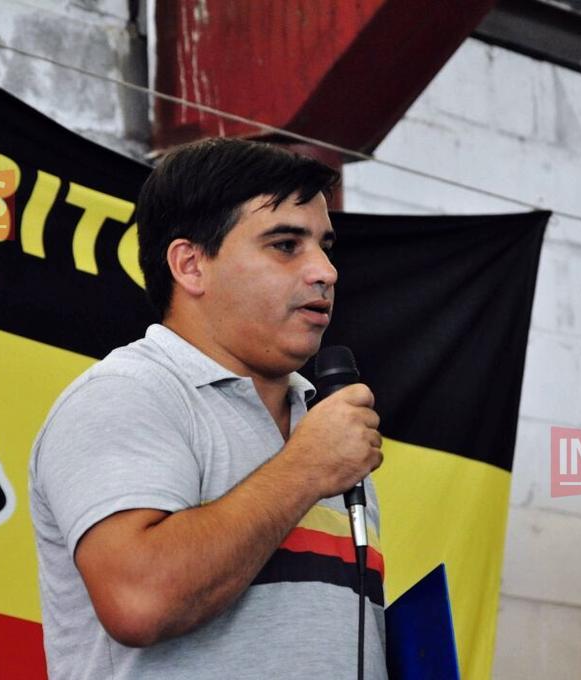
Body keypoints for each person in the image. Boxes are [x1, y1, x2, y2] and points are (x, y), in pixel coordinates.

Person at [29, 137, 386, 679]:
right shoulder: (127, 393)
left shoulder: (324, 429)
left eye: (325, 246)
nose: (325, 271)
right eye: (286, 245)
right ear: (191, 265)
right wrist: (306, 468)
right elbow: (139, 600)